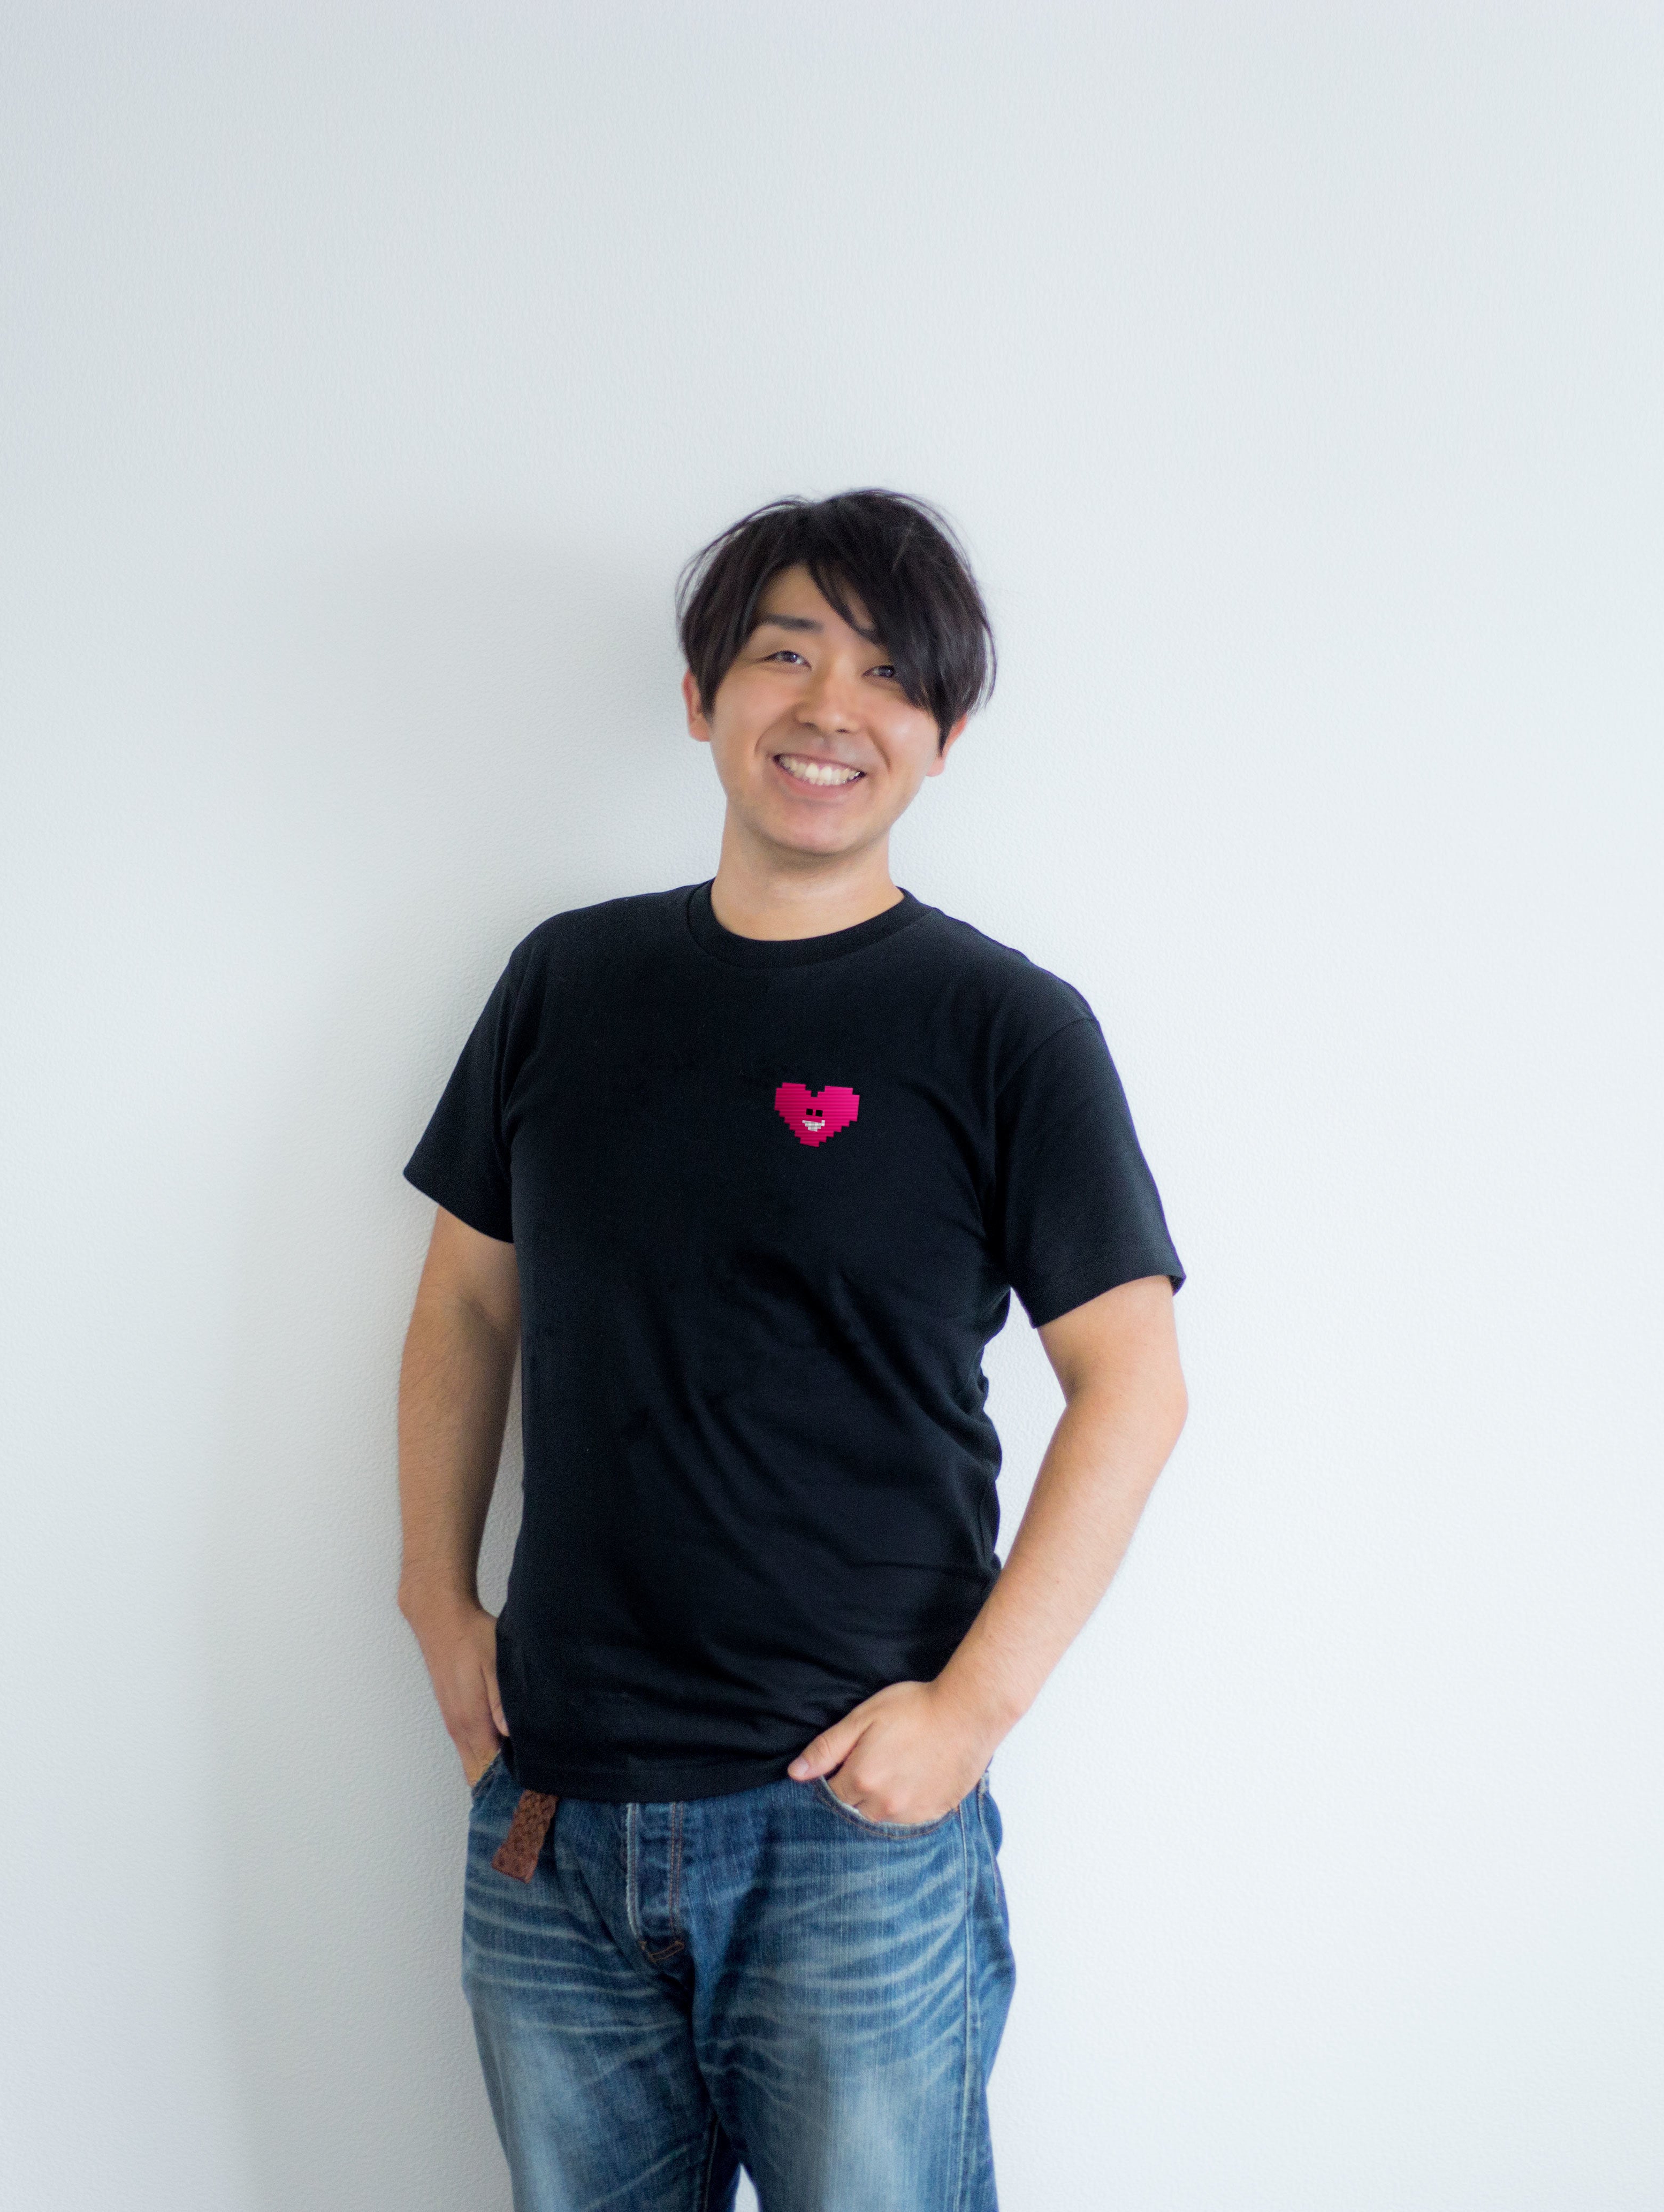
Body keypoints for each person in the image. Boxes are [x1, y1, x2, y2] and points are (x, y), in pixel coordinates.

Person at [395, 489, 1187, 2211]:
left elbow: (1133, 1382)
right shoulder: (568, 983)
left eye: (892, 676)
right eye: (787, 655)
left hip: (850, 1831)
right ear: (702, 697)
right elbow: (465, 1299)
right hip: (554, 1819)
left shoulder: (1005, 1029)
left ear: (943, 736)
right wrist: (435, 1603)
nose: (834, 708)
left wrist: (971, 1713)